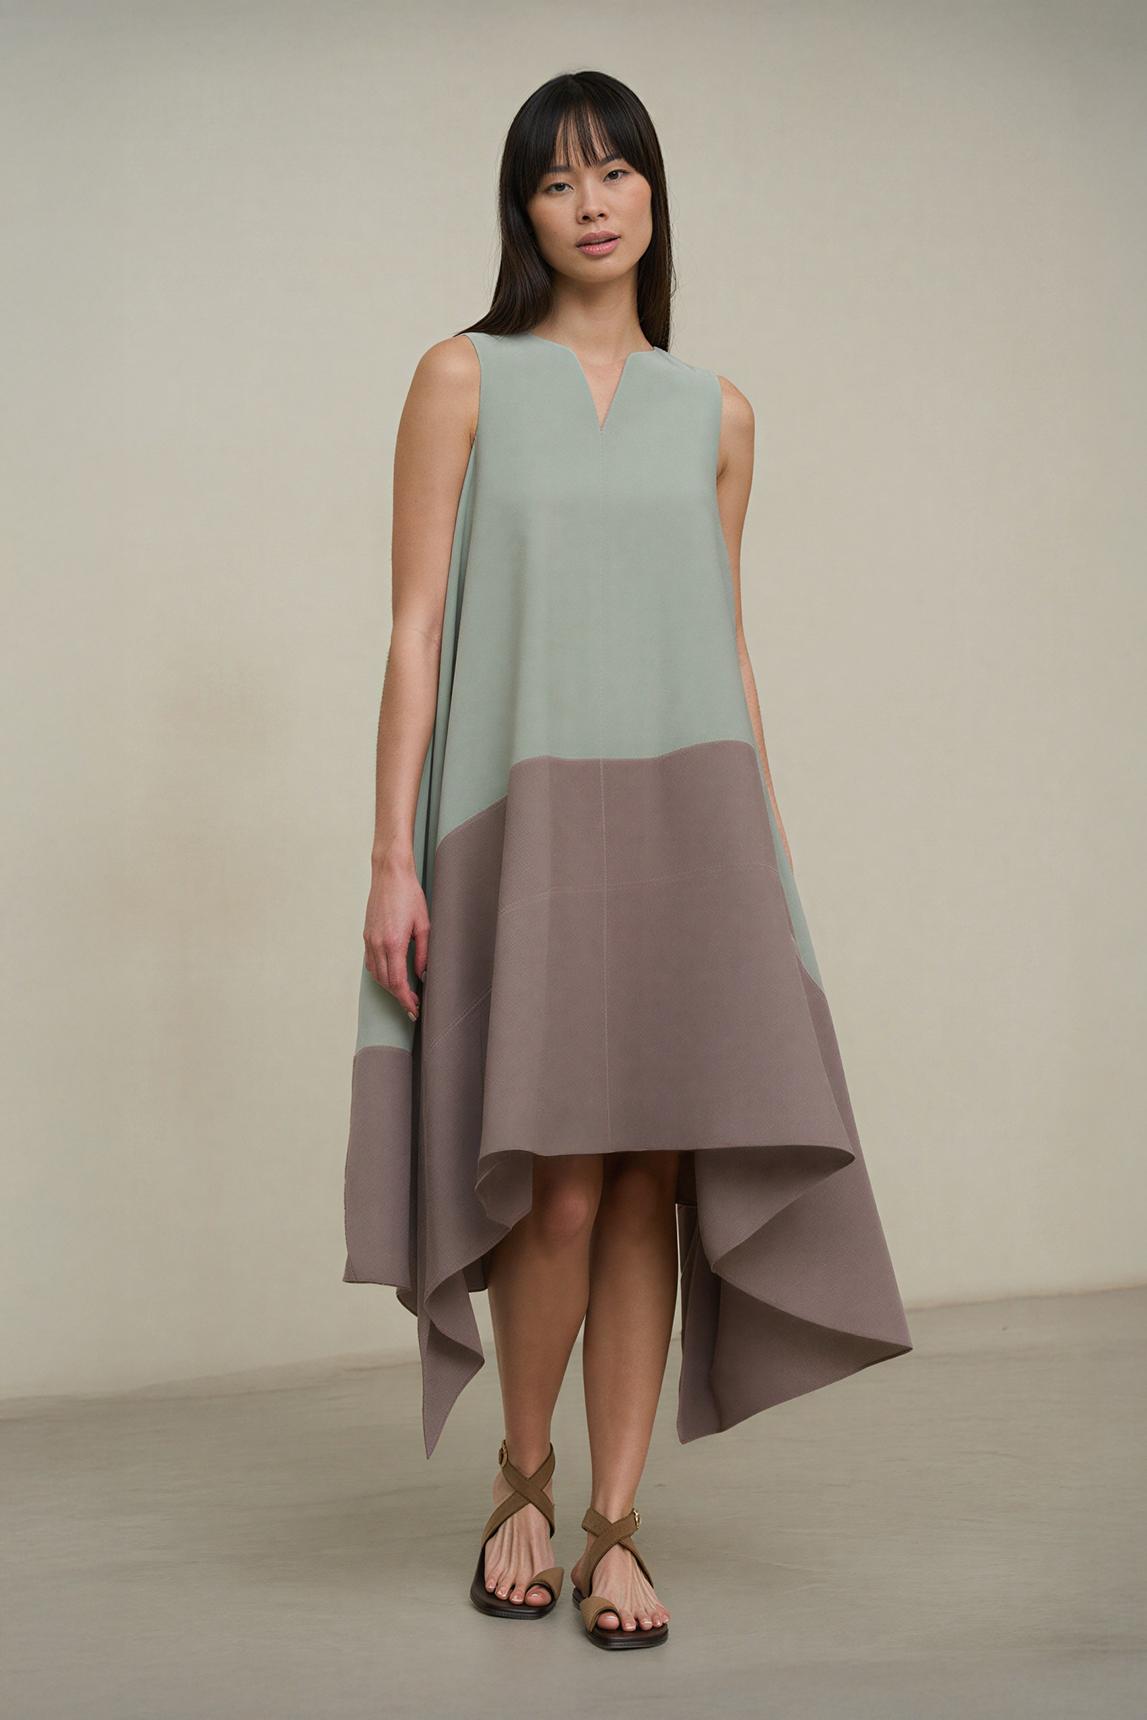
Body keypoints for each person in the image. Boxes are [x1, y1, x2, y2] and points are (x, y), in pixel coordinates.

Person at [341, 69, 912, 1650]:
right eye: (555, 180)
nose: (589, 203)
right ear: (522, 213)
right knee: (563, 1182)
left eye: (614, 173)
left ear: (655, 195)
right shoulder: (461, 377)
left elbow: (723, 646)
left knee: (655, 1175)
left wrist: (766, 873)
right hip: (522, 819)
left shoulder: (718, 414)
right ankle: (519, 1484)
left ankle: (610, 1529)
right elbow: (413, 633)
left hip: (690, 828)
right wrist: (391, 858)